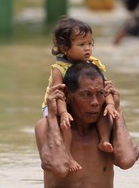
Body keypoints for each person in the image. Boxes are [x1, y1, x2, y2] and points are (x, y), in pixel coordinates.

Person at [35, 62, 139, 187]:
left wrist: (117, 109)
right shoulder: (47, 126)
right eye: (86, 95)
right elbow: (59, 167)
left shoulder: (107, 126)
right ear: (67, 95)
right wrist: (52, 116)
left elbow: (127, 161)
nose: (95, 102)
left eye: (100, 94)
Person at [41, 17, 120, 171]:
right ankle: (68, 156)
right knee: (65, 125)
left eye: (90, 43)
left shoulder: (93, 64)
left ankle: (103, 140)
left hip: (82, 103)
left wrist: (110, 104)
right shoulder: (59, 68)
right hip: (58, 104)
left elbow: (106, 87)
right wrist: (63, 113)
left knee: (103, 112)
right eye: (82, 44)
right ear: (64, 48)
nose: (87, 48)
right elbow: (59, 94)